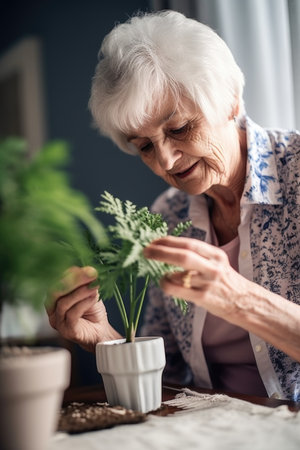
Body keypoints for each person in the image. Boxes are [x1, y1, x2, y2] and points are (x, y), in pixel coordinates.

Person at [46, 10, 300, 401]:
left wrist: (241, 299)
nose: (164, 161)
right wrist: (105, 340)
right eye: (144, 146)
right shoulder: (168, 215)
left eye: (179, 128)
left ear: (230, 101)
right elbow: (169, 377)